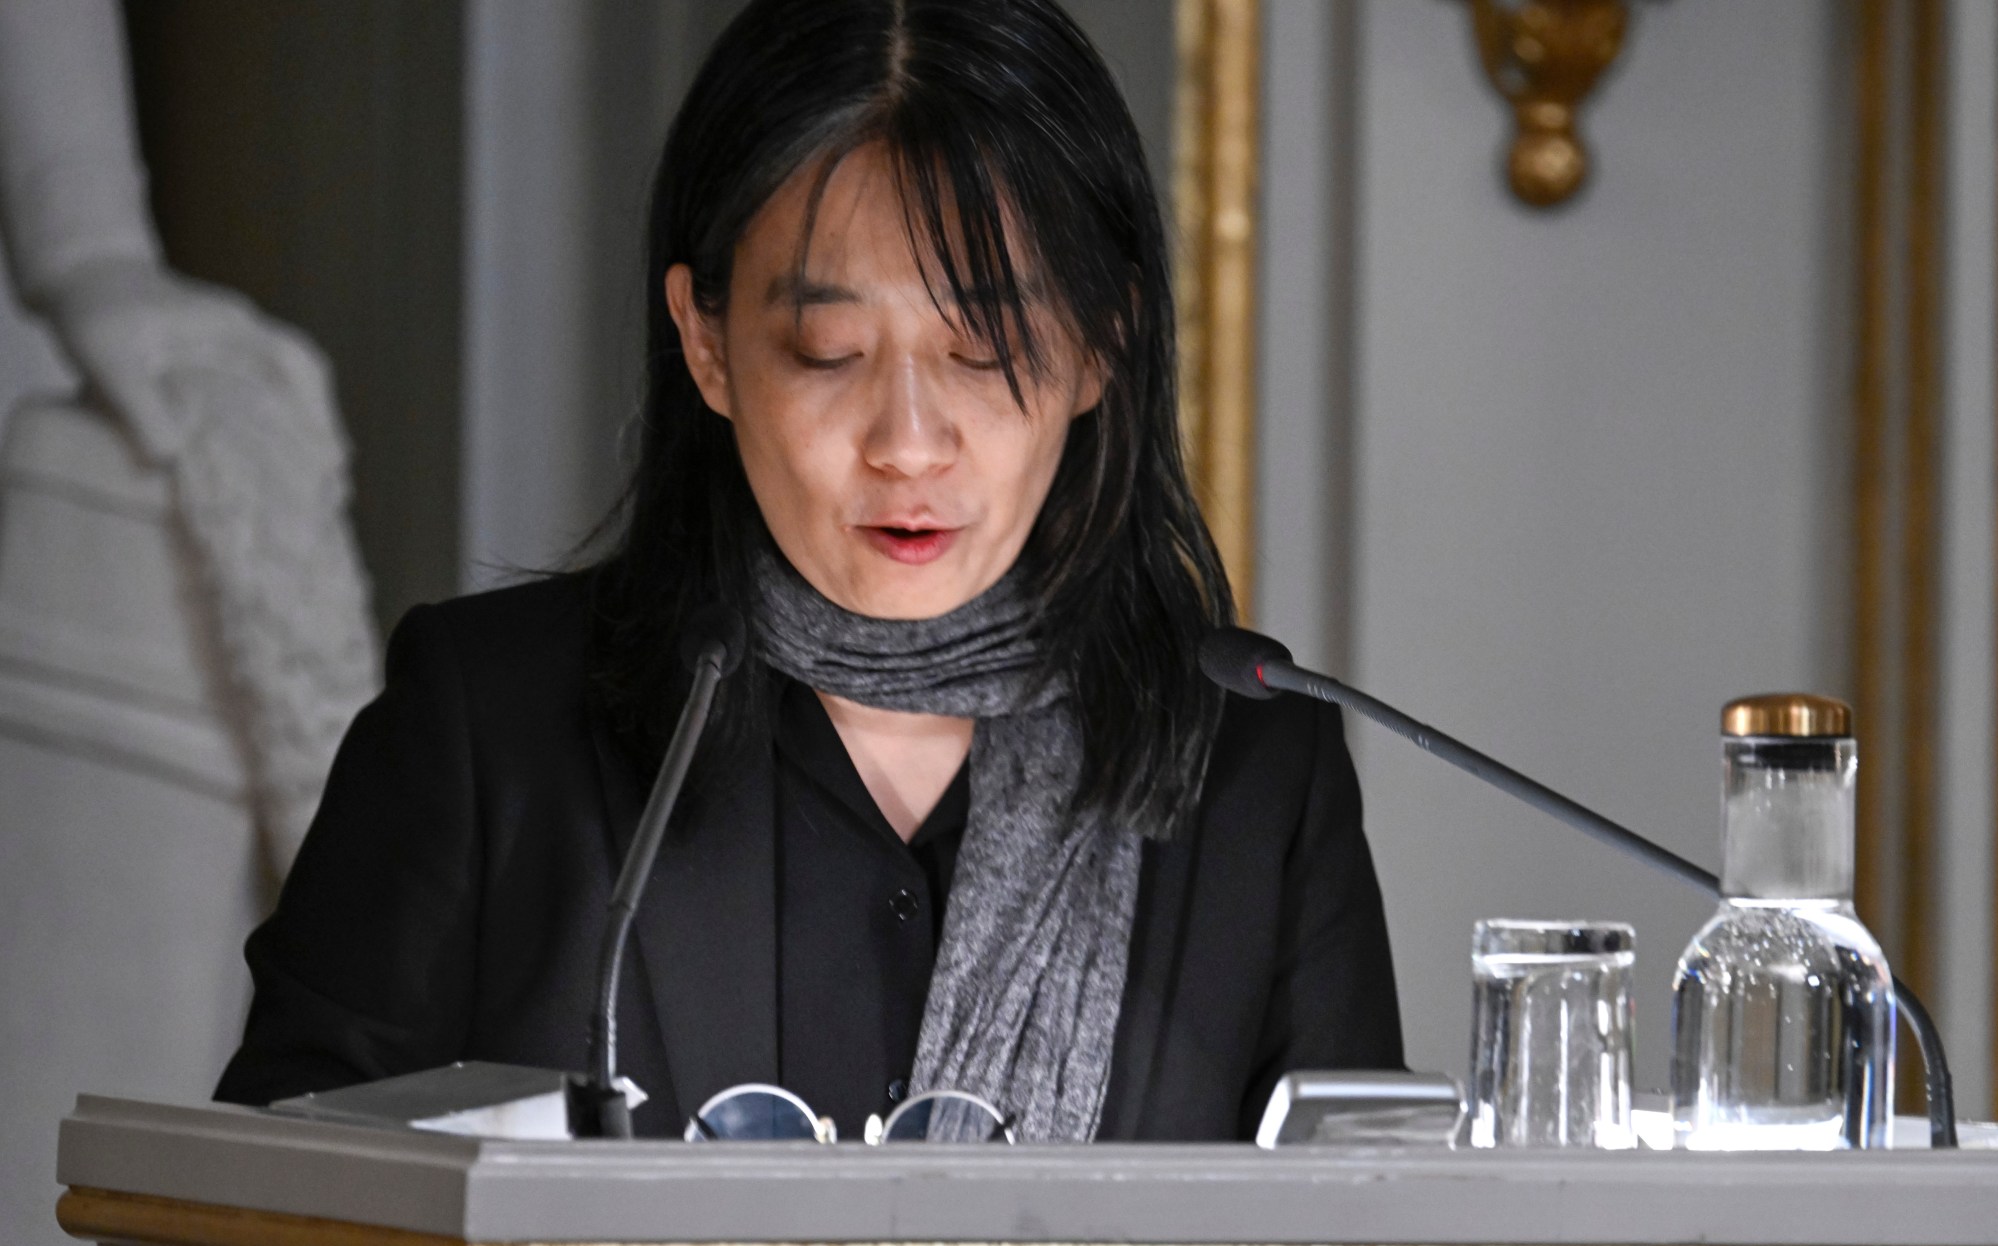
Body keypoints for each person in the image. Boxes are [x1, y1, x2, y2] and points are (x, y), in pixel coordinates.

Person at [212, 0, 1403, 1142]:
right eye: (828, 353)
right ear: (707, 343)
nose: (907, 442)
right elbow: (264, 1228)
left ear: (1103, 345)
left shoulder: (1252, 781)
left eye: (983, 351)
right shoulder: (490, 732)